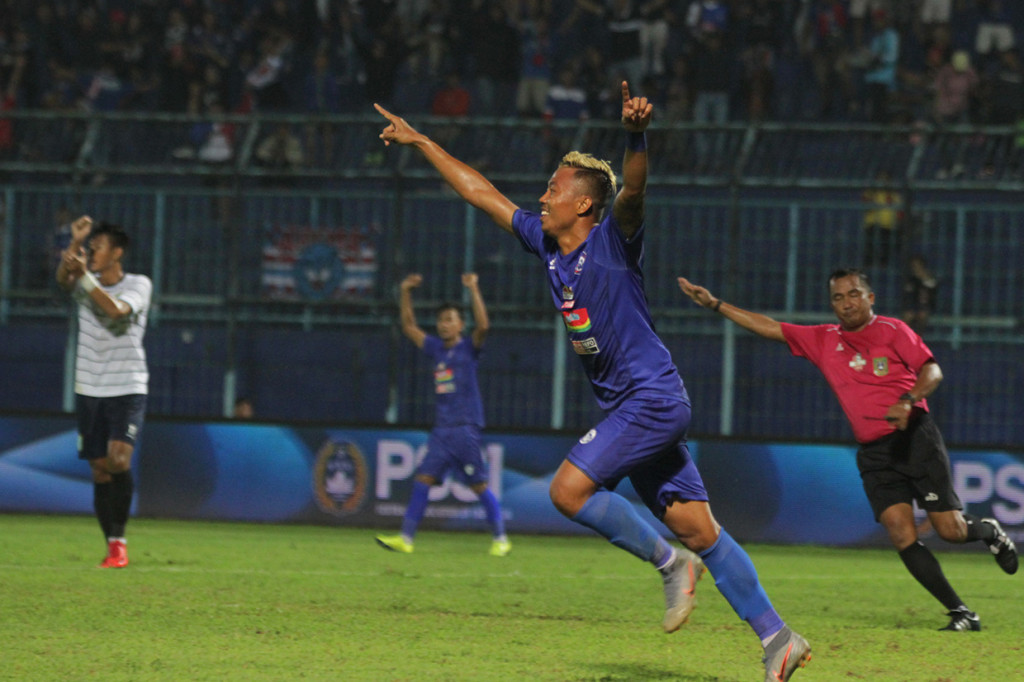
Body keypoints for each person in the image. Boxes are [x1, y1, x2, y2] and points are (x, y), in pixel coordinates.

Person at [374, 83, 811, 682]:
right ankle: (778, 637)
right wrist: (423, 140)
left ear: (583, 204)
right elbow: (481, 193)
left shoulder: (611, 242)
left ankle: (669, 566)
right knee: (698, 527)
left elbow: (633, 191)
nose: (542, 196)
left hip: (650, 400)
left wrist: (636, 137)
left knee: (567, 491)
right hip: (638, 409)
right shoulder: (546, 245)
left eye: (553, 189)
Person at [677, 268, 1019, 632]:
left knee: (949, 530)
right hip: (873, 452)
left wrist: (908, 399)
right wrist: (715, 305)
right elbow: (772, 327)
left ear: (870, 298)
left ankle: (988, 532)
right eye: (838, 297)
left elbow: (932, 371)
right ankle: (961, 612)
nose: (846, 303)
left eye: (854, 294)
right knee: (901, 533)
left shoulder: (893, 330)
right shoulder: (824, 339)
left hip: (914, 439)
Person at [375, 272, 512, 558]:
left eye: (450, 319)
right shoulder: (436, 349)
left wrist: (474, 288)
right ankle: (406, 538)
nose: (444, 324)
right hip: (442, 431)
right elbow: (409, 326)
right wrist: (405, 291)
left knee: (478, 485)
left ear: (461, 325)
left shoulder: (468, 348)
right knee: (423, 479)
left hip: (465, 428)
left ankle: (501, 538)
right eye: (441, 320)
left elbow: (484, 325)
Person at [55, 216, 152, 569]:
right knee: (99, 469)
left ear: (117, 253)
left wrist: (84, 276)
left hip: (127, 385)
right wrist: (73, 243)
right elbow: (63, 278)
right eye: (90, 248)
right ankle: (112, 547)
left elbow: (115, 310)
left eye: (97, 248)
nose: (92, 253)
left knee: (118, 461)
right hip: (89, 387)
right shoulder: (84, 281)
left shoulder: (139, 284)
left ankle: (120, 541)